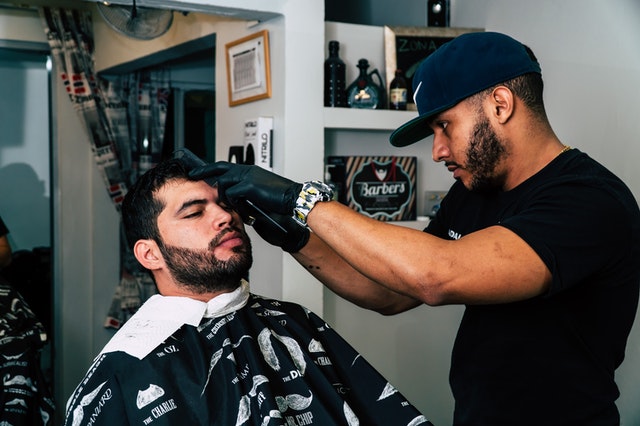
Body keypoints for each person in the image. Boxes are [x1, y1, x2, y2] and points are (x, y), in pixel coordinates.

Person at [190, 32, 640, 425]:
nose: (437, 151)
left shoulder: (589, 199)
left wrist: (301, 199)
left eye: (444, 126)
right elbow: (392, 291)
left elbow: (434, 276)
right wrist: (294, 235)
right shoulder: (475, 192)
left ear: (501, 104)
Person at [63, 154, 430, 426]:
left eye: (226, 205)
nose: (225, 217)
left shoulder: (294, 321)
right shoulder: (120, 371)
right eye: (194, 213)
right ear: (149, 254)